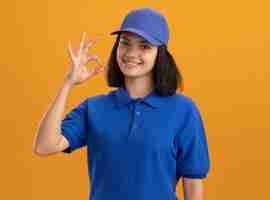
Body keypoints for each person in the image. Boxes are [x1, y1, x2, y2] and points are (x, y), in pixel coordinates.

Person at [33, 7, 210, 200]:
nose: (131, 53)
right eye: (125, 43)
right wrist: (68, 83)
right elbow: (45, 146)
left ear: (160, 54)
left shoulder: (183, 111)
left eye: (144, 46)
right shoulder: (93, 109)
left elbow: (193, 180)